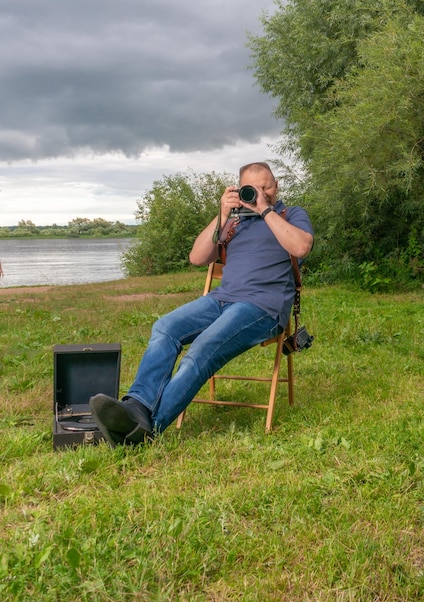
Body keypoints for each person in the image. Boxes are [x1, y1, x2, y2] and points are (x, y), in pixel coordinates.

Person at [89, 162, 314, 446]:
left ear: (276, 186)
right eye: (252, 189)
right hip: (221, 300)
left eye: (265, 186)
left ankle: (145, 432)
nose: (260, 193)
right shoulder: (233, 223)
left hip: (262, 308)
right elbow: (197, 258)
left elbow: (302, 247)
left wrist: (265, 209)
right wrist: (222, 214)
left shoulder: (290, 214)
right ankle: (137, 407)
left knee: (203, 347)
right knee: (165, 327)